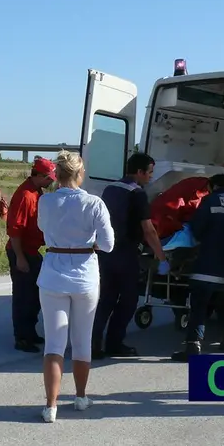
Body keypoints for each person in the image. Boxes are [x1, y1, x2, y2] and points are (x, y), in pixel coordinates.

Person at [34, 150, 114, 423]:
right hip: (85, 276)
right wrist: (89, 243)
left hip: (53, 273)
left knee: (54, 344)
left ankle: (51, 405)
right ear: (80, 174)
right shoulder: (94, 203)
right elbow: (107, 244)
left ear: (56, 174)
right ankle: (80, 397)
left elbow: (42, 228)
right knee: (82, 342)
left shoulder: (45, 201)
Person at [92, 152, 165, 359]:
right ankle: (114, 343)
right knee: (129, 300)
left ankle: (93, 344)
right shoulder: (138, 193)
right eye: (149, 172)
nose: (151, 177)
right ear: (139, 172)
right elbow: (148, 229)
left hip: (106, 252)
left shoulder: (110, 189)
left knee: (106, 298)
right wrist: (161, 256)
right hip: (126, 253)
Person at [171, 173, 224, 361]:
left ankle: (193, 346)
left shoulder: (210, 201)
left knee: (199, 305)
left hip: (207, 266)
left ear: (213, 186)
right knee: (223, 304)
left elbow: (197, 230)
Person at [5, 156, 57, 353]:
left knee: (35, 294)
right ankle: (22, 338)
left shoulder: (36, 191)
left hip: (32, 251)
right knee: (23, 297)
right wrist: (19, 257)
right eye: (49, 177)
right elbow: (15, 230)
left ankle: (30, 331)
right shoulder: (26, 195)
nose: (52, 180)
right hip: (22, 252)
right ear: (40, 175)